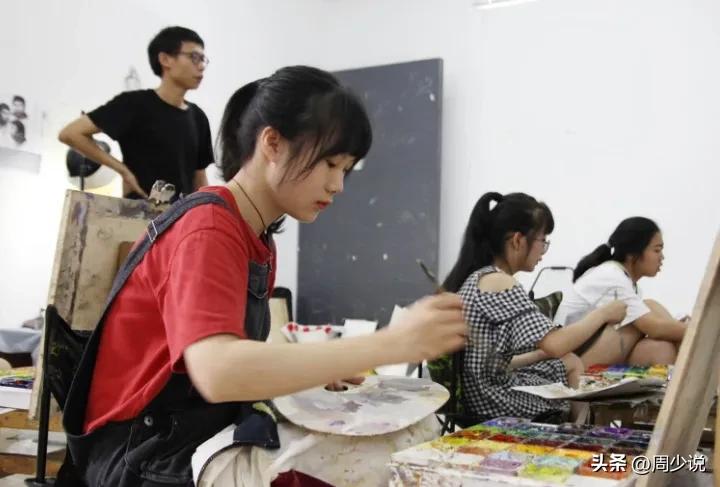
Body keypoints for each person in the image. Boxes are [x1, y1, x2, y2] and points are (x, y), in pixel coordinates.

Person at [59, 66, 468, 487]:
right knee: (386, 464)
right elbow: (218, 372)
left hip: (190, 435)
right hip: (143, 456)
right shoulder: (208, 228)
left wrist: (316, 369)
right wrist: (392, 343)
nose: (338, 185)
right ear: (272, 142)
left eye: (346, 169)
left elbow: (238, 355)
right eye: (330, 163)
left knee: (413, 436)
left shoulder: (254, 233)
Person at [442, 192, 626, 422]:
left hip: (480, 393)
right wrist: (603, 313)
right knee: (568, 374)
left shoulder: (479, 277)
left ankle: (579, 431)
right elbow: (556, 344)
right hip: (492, 400)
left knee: (569, 361)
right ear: (518, 241)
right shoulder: (498, 282)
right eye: (543, 241)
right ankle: (578, 434)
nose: (543, 250)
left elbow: (491, 362)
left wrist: (539, 354)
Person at [58, 26, 213, 199]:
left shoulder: (198, 117)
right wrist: (122, 170)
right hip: (139, 210)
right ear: (165, 59)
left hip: (183, 213)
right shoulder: (134, 104)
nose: (201, 66)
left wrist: (207, 208)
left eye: (203, 59)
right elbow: (70, 133)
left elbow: (200, 177)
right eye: (194, 57)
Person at [555, 217, 687, 367]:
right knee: (650, 307)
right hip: (571, 360)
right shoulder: (612, 275)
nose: (662, 257)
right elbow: (654, 327)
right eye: (657, 250)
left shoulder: (626, 282)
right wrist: (695, 330)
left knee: (660, 348)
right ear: (632, 253)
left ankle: (682, 374)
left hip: (586, 350)